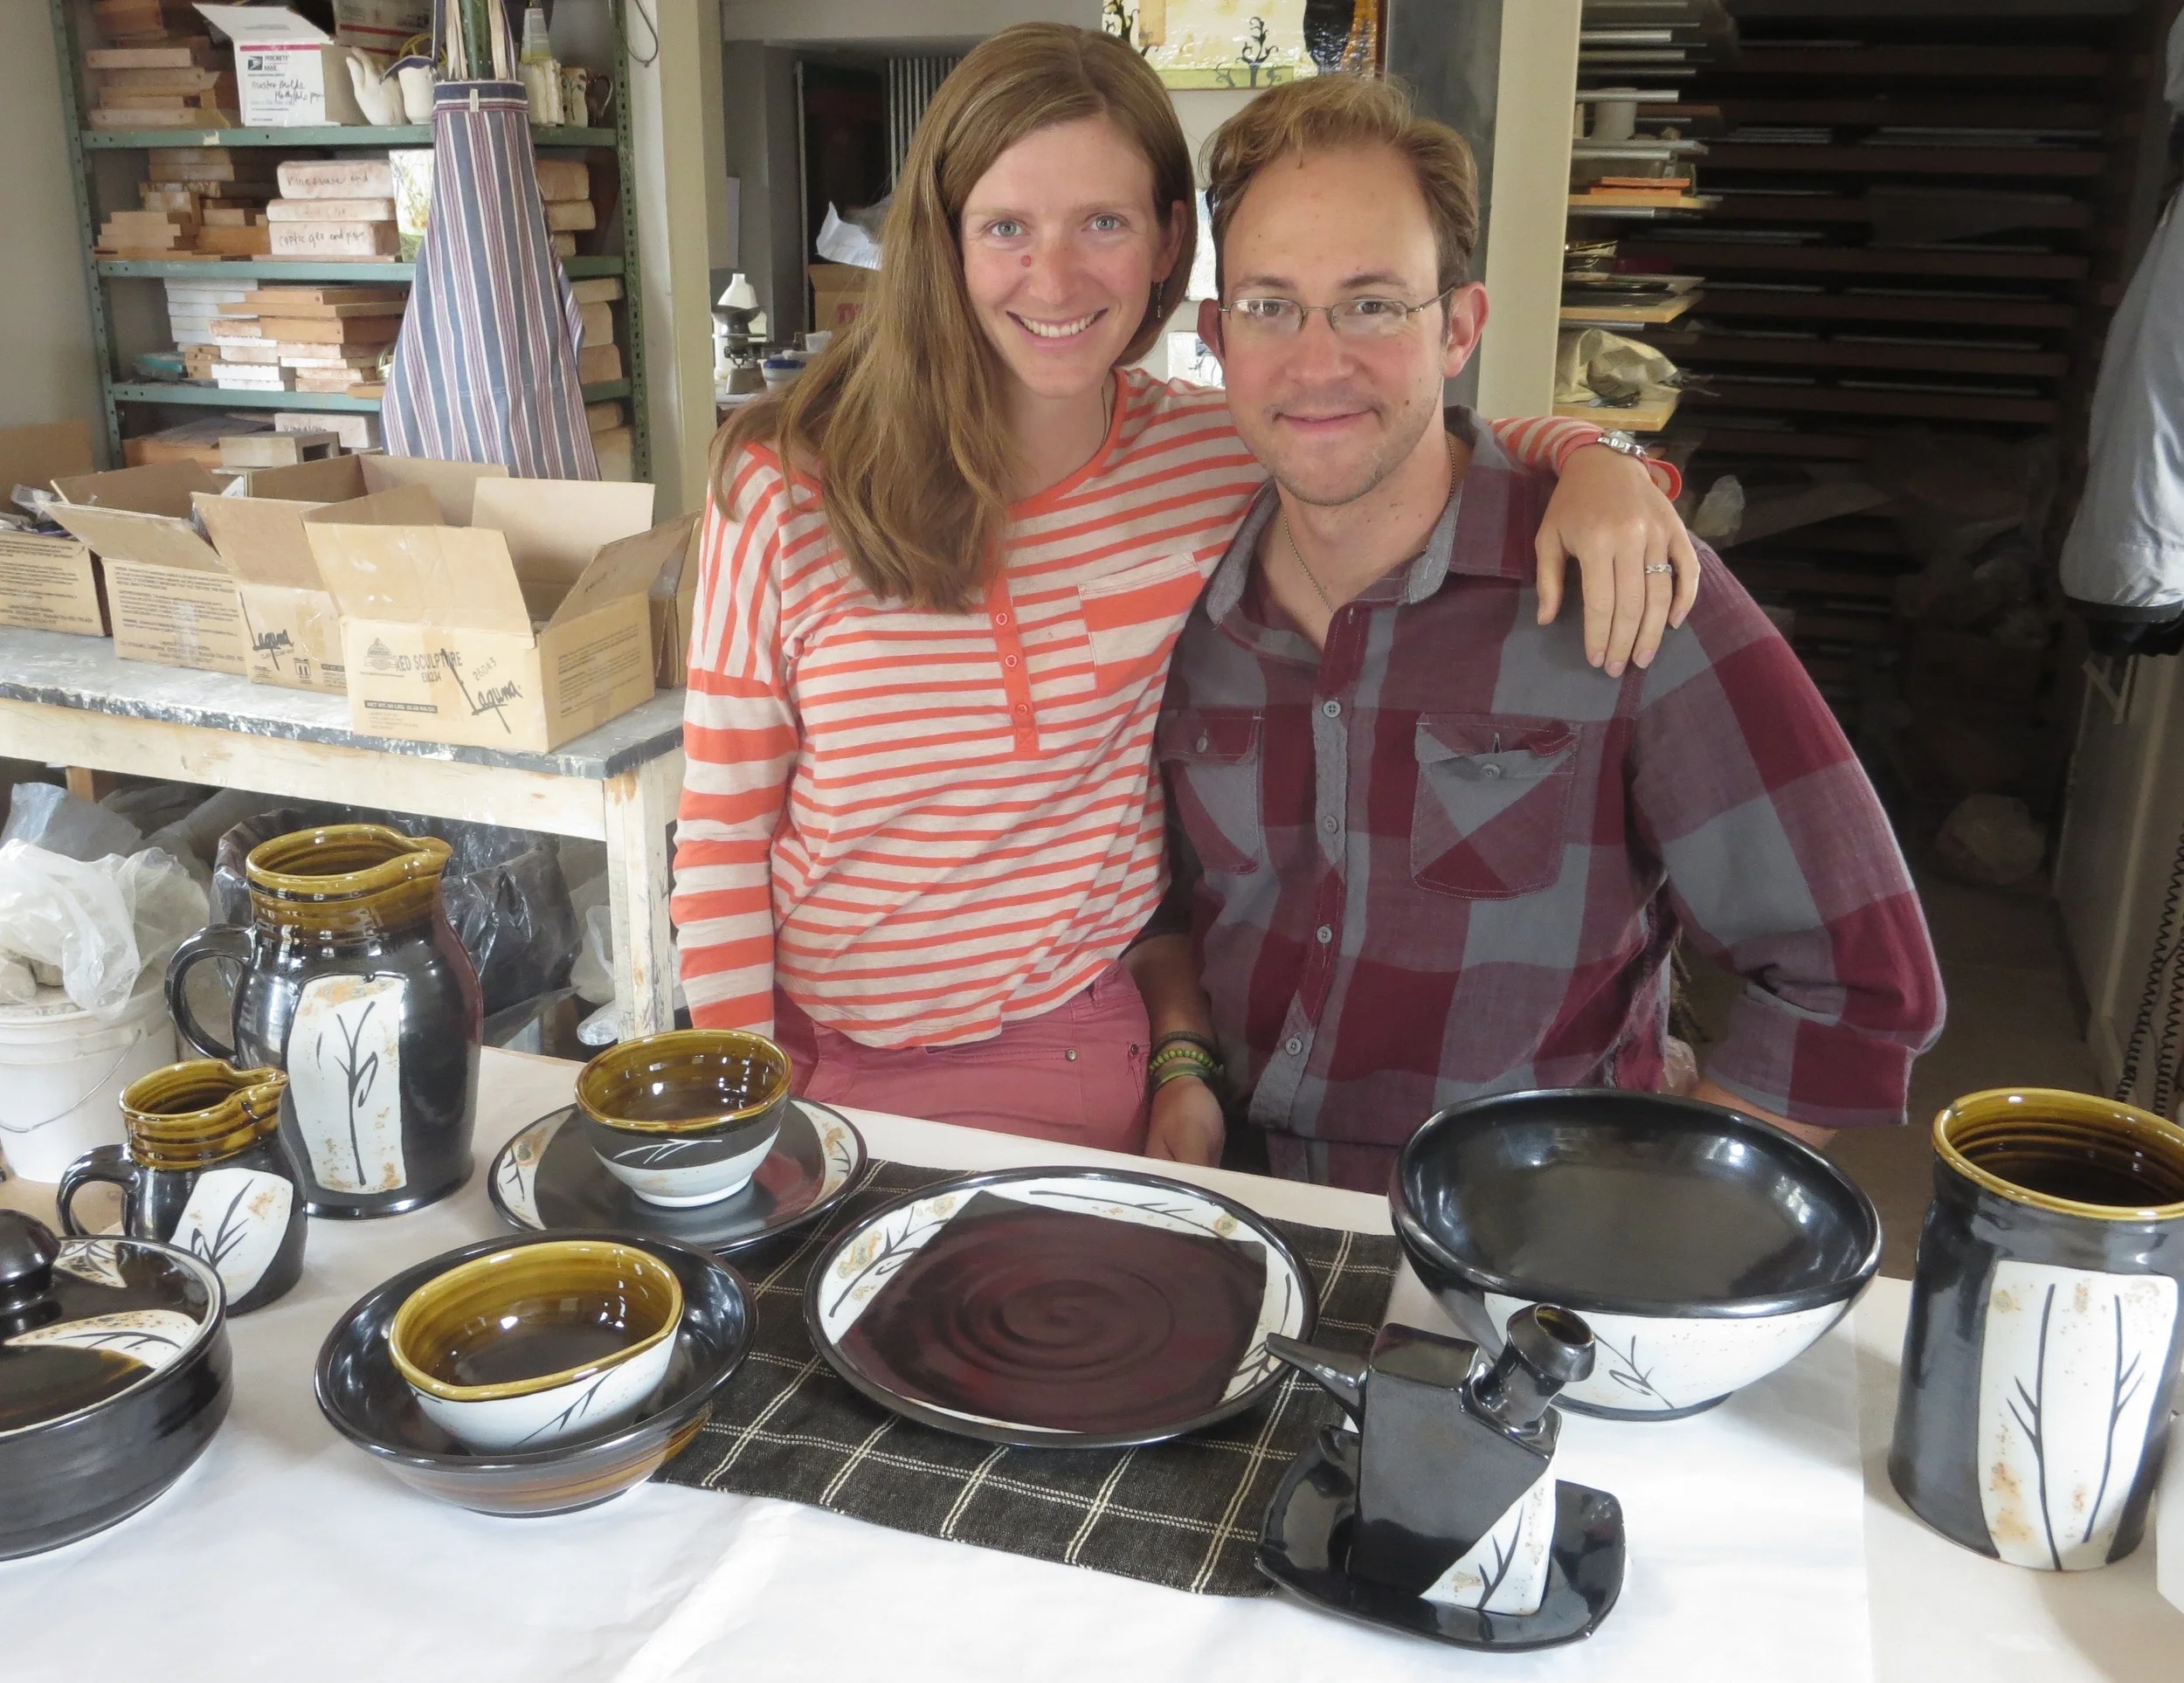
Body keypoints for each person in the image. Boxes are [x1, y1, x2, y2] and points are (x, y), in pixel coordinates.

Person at [672, 24, 1700, 1161]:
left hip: (1073, 1047)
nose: (1053, 278)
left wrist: (1600, 458)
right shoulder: (782, 482)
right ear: (947, 238)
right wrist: (738, 1105)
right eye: (1007, 226)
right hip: (822, 1056)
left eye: (1102, 223)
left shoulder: (1209, 456)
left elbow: (1415, 434)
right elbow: (723, 833)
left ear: (1170, 243)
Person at [1130, 74, 1946, 1189]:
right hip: (1234, 1200)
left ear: (1458, 326)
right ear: (1218, 337)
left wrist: (1636, 1217)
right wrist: (1181, 1062)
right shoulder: (1184, 595)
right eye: (1272, 305)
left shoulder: (1623, 587)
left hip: (1522, 1240)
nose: (1316, 361)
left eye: (1372, 303)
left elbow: (1857, 980)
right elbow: (1159, 901)